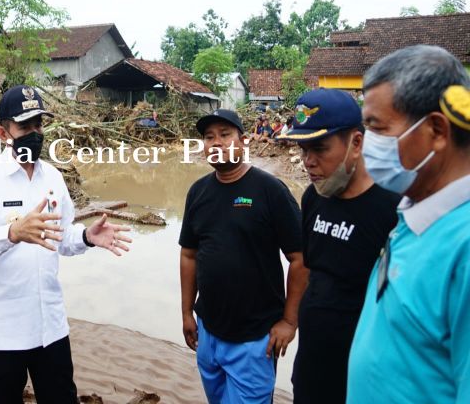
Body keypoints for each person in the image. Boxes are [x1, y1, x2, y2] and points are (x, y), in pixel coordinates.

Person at [0, 85, 132, 403]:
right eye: (25, 126)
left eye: (39, 124)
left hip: (50, 325)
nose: (35, 133)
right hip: (3, 329)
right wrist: (13, 233)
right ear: (3, 132)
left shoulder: (53, 177)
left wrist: (86, 237)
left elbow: (62, 237)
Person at [347, 45, 470, 404]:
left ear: (436, 130)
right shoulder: (415, 215)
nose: (368, 145)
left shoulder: (463, 245)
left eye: (377, 128)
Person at [179, 108, 308, 404]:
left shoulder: (270, 190)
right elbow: (189, 255)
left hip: (255, 339)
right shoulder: (197, 192)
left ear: (243, 141)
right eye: (209, 137)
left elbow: (301, 258)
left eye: (225, 135)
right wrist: (187, 312)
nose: (217, 143)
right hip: (208, 333)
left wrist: (289, 321)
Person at [279, 89, 398, 404]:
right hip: (311, 370)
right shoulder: (313, 198)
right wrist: (291, 321)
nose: (308, 161)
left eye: (319, 148)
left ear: (356, 143)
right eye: (303, 149)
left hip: (362, 381)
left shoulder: (391, 210)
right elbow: (307, 267)